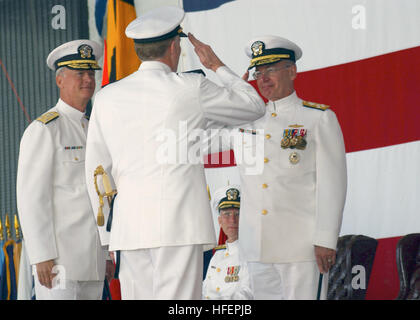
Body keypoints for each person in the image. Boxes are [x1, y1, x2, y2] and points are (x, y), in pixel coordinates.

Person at [84, 6, 265, 300]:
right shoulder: (191, 87)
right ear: (174, 46)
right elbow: (253, 106)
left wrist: (107, 237)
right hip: (178, 227)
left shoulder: (106, 98)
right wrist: (216, 65)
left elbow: (96, 173)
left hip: (128, 232)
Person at [214, 35, 347, 299]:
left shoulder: (318, 118)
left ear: (292, 71)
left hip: (301, 247)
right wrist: (232, 98)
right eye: (258, 72)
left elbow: (333, 184)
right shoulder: (245, 122)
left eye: (271, 70)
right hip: (256, 248)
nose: (262, 78)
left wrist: (326, 239)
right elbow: (204, 135)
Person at [16, 40, 109, 300]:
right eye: (79, 73)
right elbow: (31, 197)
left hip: (93, 260)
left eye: (91, 73)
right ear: (60, 80)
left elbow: (101, 195)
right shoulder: (44, 130)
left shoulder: (95, 129)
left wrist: (105, 251)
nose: (88, 80)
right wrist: (42, 255)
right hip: (59, 261)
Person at [202, 186, 253, 300]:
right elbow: (204, 289)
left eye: (238, 214)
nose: (233, 220)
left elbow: (248, 293)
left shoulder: (252, 254)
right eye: (227, 214)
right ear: (220, 221)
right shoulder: (217, 256)